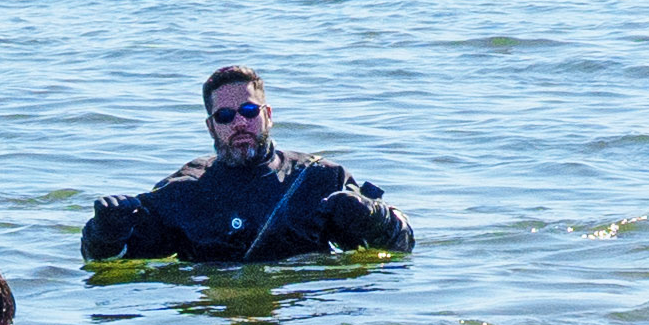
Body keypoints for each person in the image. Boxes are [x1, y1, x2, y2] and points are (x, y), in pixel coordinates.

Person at [80, 65, 414, 265]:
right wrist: (103, 234)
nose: (239, 122)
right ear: (211, 126)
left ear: (267, 116)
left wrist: (375, 219)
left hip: (300, 307)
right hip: (213, 306)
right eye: (225, 116)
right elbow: (109, 262)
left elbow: (402, 246)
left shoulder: (319, 179)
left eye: (249, 112)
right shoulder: (182, 194)